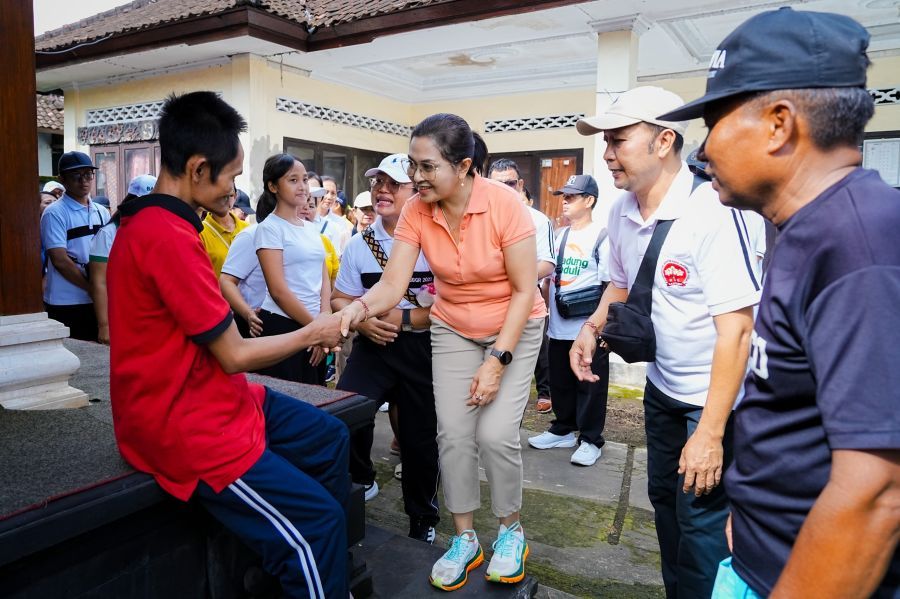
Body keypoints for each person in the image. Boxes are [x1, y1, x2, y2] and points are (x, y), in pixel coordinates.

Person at [659, 7, 900, 597]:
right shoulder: (804, 227)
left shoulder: (860, 244)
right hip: (761, 559)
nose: (703, 150)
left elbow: (877, 493)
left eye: (713, 121)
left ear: (778, 124)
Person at [107, 91, 349, 599]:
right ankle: (310, 563)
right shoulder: (166, 235)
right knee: (319, 523)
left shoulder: (166, 222)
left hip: (217, 395)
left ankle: (302, 570)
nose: (234, 189)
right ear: (197, 169)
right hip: (185, 425)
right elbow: (235, 353)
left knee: (330, 437)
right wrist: (314, 332)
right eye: (231, 177)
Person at [569, 86, 764, 598]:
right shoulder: (620, 212)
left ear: (663, 142)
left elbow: (739, 329)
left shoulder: (714, 211)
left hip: (712, 401)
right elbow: (619, 283)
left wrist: (712, 433)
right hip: (663, 389)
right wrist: (590, 330)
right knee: (665, 503)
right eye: (605, 142)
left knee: (702, 525)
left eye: (618, 140)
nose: (608, 154)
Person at [339, 113, 546, 591]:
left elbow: (522, 290)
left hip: (513, 325)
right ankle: (465, 537)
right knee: (452, 434)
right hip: (452, 326)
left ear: (465, 165)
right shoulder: (417, 210)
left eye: (427, 167)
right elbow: (393, 284)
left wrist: (497, 361)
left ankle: (511, 530)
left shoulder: (504, 205)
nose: (416, 177)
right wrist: (355, 311)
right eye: (413, 165)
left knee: (494, 435)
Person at [332, 152, 440, 543]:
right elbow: (340, 298)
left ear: (416, 190)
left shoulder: (438, 238)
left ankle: (422, 520)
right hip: (374, 347)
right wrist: (365, 320)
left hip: (423, 349)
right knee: (345, 411)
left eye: (395, 183)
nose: (383, 189)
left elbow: (452, 305)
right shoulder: (360, 244)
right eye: (378, 182)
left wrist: (408, 320)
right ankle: (360, 479)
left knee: (420, 440)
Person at [528, 174, 609, 467]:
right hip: (559, 324)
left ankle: (590, 439)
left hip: (587, 327)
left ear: (589, 201)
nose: (565, 202)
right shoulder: (559, 235)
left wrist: (599, 326)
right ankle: (563, 427)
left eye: (572, 197)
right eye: (564, 196)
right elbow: (549, 278)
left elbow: (611, 283)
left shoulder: (602, 235)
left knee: (589, 382)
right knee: (560, 379)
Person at [254, 153, 331, 385]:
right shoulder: (269, 228)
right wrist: (315, 328)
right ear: (273, 186)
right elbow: (278, 291)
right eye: (293, 180)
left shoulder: (309, 228)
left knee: (317, 396)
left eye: (305, 179)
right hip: (283, 326)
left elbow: (323, 274)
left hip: (314, 323)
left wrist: (324, 316)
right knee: (291, 398)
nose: (303, 187)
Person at [488, 158, 556, 414]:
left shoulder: (538, 220)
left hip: (526, 299)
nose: (505, 189)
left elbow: (547, 263)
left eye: (511, 183)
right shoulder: (480, 217)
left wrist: (514, 279)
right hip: (487, 303)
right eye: (498, 184)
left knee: (523, 364)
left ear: (521, 184)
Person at [40, 151, 111, 341]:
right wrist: (92, 287)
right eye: (76, 176)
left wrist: (99, 289)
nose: (84, 181)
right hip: (66, 301)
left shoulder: (101, 211)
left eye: (88, 174)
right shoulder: (54, 213)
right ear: (62, 179)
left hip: (96, 300)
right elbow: (60, 259)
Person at [89, 174, 157, 344]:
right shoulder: (108, 233)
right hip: (121, 315)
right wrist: (104, 325)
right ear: (131, 200)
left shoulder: (158, 230)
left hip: (150, 316)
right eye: (144, 201)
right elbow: (99, 282)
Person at [200, 183, 250, 276]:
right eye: (218, 195)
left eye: (230, 195)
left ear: (235, 197)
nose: (225, 199)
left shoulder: (248, 229)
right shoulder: (201, 233)